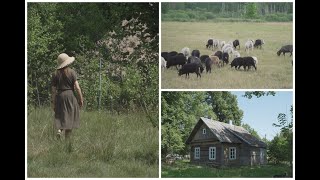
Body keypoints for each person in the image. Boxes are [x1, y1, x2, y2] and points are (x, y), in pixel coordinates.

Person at [51, 53, 83, 140]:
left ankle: (59, 130)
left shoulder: (55, 74)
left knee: (60, 115)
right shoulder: (72, 72)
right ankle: (67, 142)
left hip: (60, 96)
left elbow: (53, 90)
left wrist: (53, 103)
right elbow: (77, 88)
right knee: (70, 117)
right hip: (70, 96)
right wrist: (81, 99)